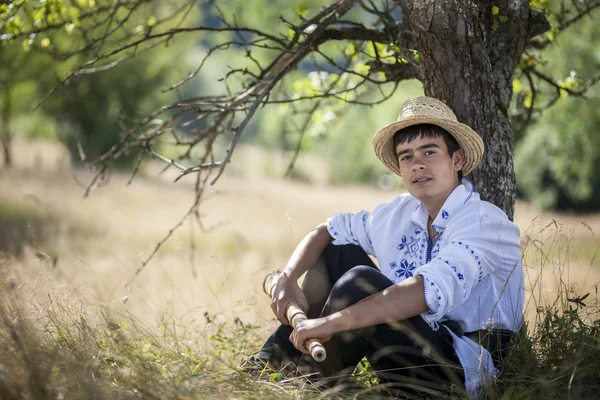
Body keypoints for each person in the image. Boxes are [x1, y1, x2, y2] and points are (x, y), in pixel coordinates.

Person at [240, 96, 524, 398]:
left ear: (457, 160)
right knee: (340, 252)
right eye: (406, 156)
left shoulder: (483, 222)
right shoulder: (398, 213)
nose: (418, 164)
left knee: (362, 282)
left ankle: (300, 381)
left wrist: (330, 323)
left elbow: (424, 291)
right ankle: (263, 370)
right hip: (407, 351)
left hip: (461, 371)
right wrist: (287, 277)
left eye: (430, 151)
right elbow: (327, 230)